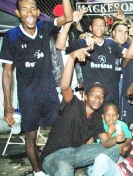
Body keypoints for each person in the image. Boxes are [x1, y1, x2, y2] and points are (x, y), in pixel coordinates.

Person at [0, 0, 72, 175]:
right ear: (17, 13)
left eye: (33, 9)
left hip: (48, 92)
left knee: (59, 131)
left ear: (38, 12)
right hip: (27, 96)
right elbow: (7, 73)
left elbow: (68, 17)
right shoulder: (11, 36)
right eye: (24, 9)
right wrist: (7, 103)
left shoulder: (44, 26)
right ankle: (38, 172)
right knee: (30, 136)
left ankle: (54, 164)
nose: (29, 13)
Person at [40, 47, 120, 175]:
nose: (97, 98)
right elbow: (65, 86)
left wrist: (116, 139)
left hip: (77, 154)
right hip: (55, 155)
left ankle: (94, 171)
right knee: (65, 170)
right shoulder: (73, 104)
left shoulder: (96, 118)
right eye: (94, 94)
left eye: (101, 96)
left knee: (115, 149)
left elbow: (105, 142)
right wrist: (71, 58)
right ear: (85, 96)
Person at [66, 16, 133, 107]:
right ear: (90, 28)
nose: (99, 28)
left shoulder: (112, 44)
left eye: (102, 25)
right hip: (91, 98)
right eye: (96, 25)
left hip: (111, 96)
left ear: (105, 28)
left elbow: (129, 55)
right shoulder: (82, 43)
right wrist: (70, 25)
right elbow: (60, 45)